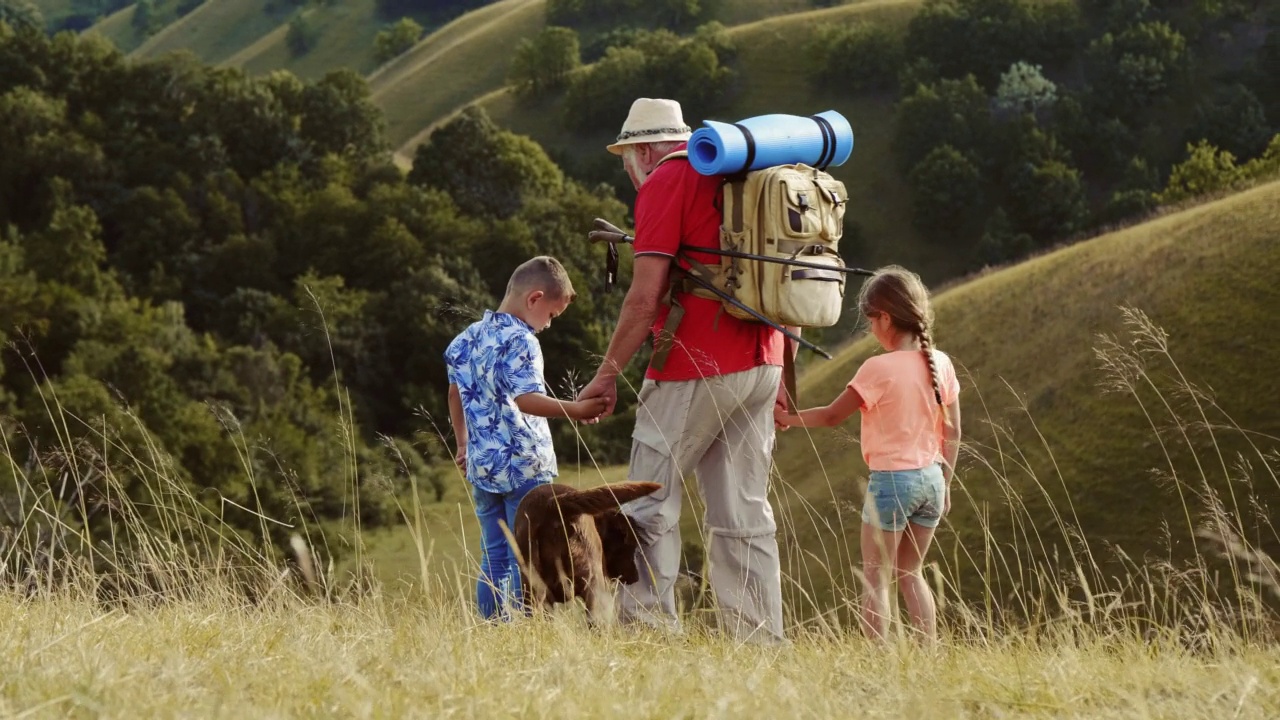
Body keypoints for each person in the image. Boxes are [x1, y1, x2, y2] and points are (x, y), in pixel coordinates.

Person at [575, 98, 791, 643]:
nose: (629, 171)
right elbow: (782, 280)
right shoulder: (737, 175)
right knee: (744, 513)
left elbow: (644, 300)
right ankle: (759, 641)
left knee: (647, 499)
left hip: (695, 362)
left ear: (643, 150)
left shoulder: (666, 182)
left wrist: (606, 376)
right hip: (763, 358)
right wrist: (784, 373)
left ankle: (646, 631)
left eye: (627, 159)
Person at [774, 265, 961, 643]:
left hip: (893, 482)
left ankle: (878, 658)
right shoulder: (941, 362)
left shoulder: (878, 368)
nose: (870, 329)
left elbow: (830, 415)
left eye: (870, 320)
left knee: (876, 577)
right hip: (932, 479)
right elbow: (953, 431)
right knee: (912, 573)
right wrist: (947, 482)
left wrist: (786, 417)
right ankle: (929, 653)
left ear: (886, 318)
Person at [445, 255, 608, 620]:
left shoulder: (464, 340)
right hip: (523, 467)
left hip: (483, 467)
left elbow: (455, 395)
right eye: (551, 315)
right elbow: (526, 401)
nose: (548, 326)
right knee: (530, 557)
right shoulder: (521, 341)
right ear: (534, 299)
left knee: (495, 556)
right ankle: (526, 630)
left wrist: (463, 444)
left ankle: (493, 629)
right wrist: (578, 410)